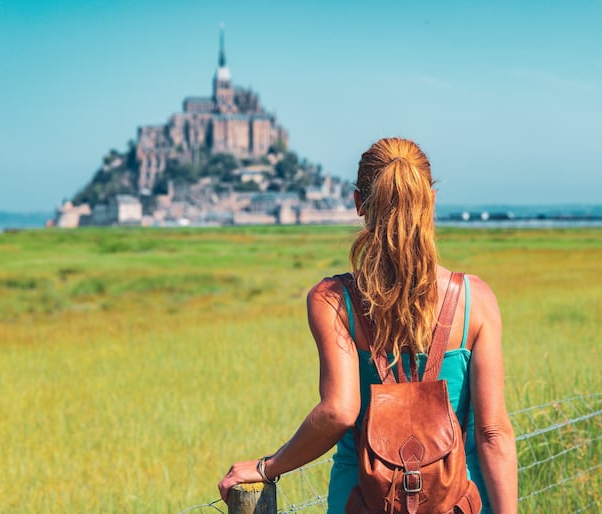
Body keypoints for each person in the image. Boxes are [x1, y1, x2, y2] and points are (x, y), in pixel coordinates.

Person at [218, 137, 517, 513]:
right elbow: (493, 433)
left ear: (359, 203)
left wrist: (268, 466)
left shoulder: (331, 299)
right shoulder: (476, 299)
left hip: (361, 499)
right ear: (431, 201)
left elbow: (340, 411)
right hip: (458, 501)